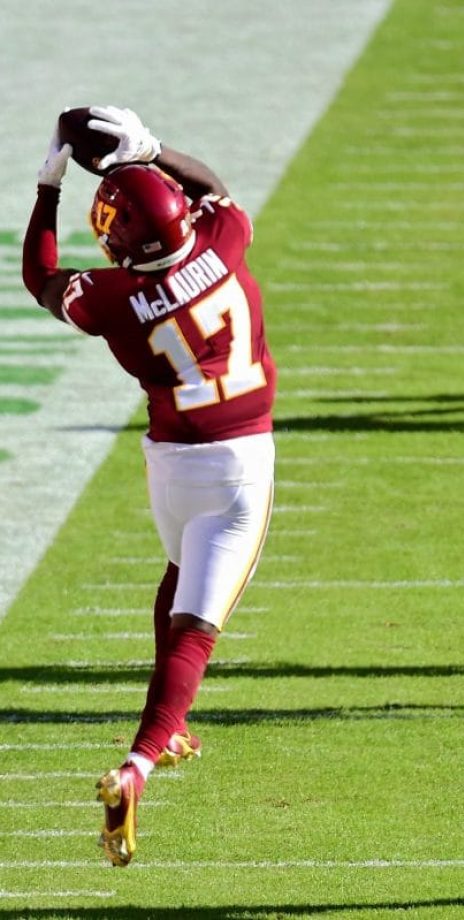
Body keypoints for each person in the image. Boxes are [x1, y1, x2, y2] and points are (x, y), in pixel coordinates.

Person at [21, 106, 277, 867]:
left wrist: (47, 186)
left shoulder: (112, 301)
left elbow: (39, 277)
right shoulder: (222, 247)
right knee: (197, 627)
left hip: (169, 466)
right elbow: (221, 194)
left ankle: (174, 731)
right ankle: (136, 763)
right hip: (238, 466)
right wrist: (155, 150)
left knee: (180, 572)